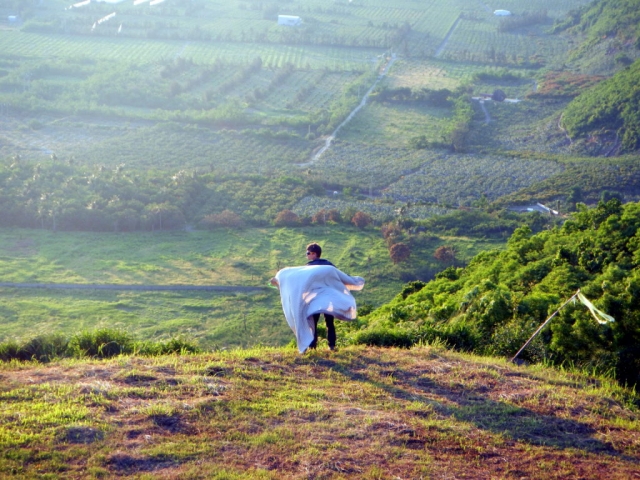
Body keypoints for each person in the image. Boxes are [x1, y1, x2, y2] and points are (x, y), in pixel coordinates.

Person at [305, 243, 337, 350]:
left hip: (315, 299)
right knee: (329, 322)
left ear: (314, 254)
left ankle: (312, 347)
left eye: (308, 253)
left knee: (313, 323)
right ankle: (331, 346)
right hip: (329, 298)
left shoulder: (309, 267)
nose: (307, 255)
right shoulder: (330, 266)